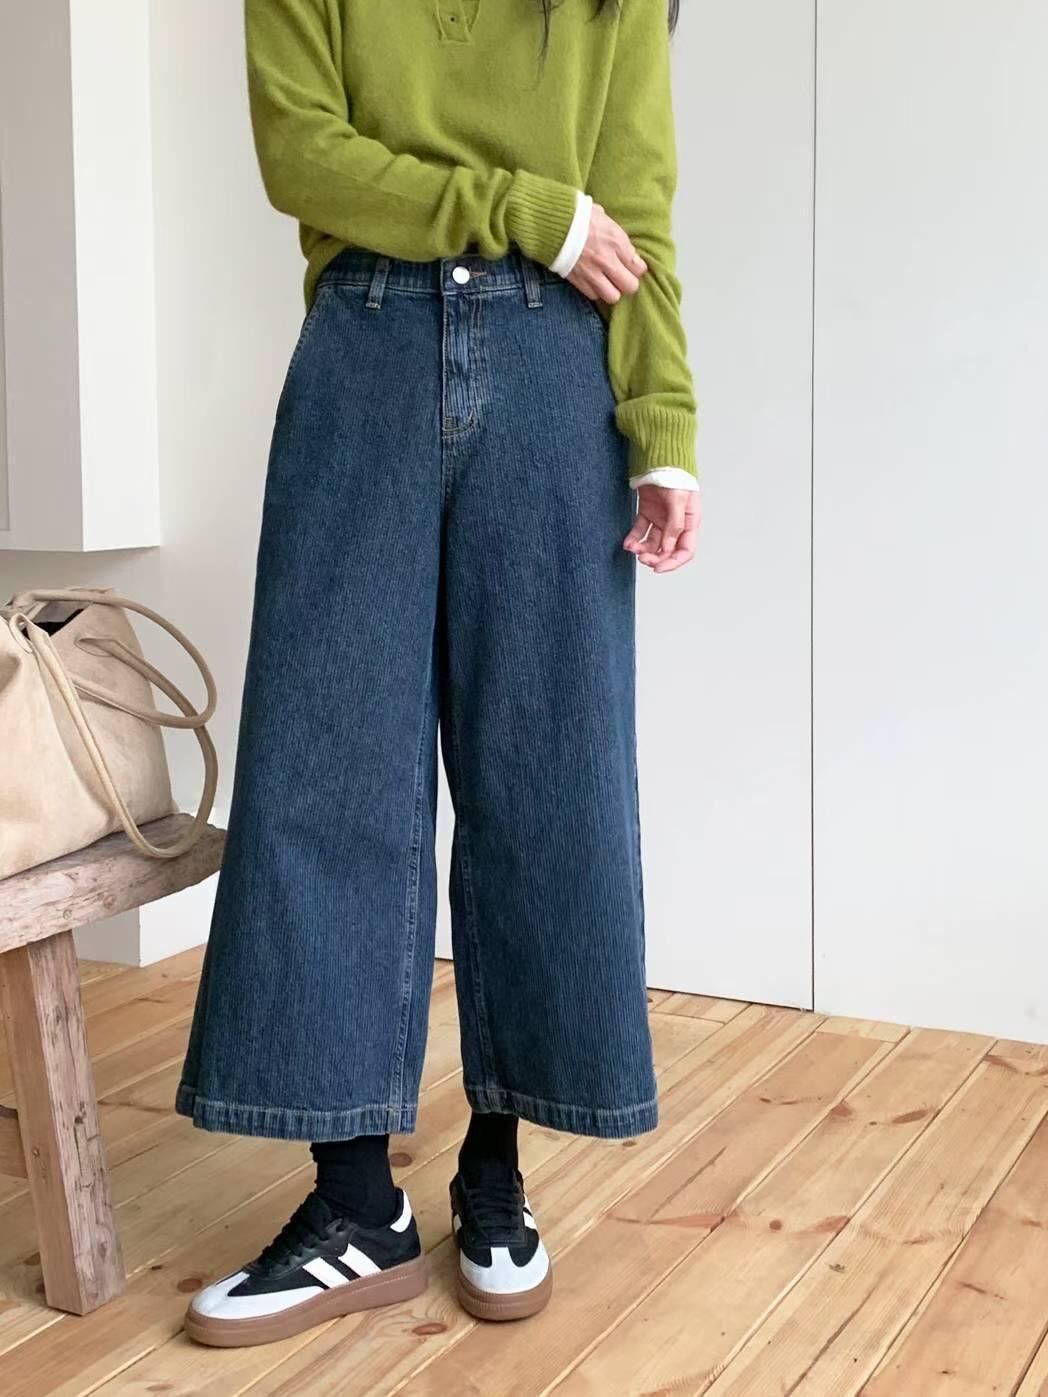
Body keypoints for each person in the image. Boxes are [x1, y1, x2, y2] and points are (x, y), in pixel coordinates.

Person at [178, 0, 700, 1348]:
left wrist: (665, 425)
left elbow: (634, 214)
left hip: (554, 372)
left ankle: (495, 1175)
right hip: (364, 347)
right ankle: (356, 1204)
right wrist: (524, 208)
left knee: (545, 775)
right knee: (324, 767)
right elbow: (306, 156)